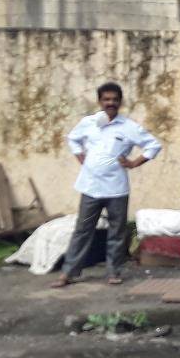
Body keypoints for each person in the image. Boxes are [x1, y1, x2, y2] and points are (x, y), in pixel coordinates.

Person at [53, 81, 161, 288]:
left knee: (117, 232)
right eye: (106, 99)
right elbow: (73, 139)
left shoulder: (129, 127)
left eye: (114, 99)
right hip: (90, 186)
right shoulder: (89, 122)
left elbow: (153, 145)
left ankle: (114, 272)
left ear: (120, 102)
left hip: (117, 189)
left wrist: (133, 163)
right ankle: (68, 273)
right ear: (100, 101)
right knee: (82, 230)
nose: (110, 102)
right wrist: (81, 158)